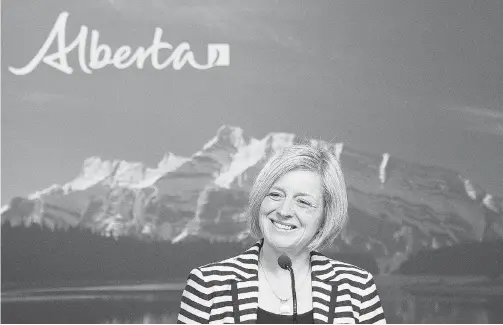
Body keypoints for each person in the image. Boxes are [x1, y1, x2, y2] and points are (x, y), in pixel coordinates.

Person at [178, 143, 386, 324]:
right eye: (276, 195)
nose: (284, 211)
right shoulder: (208, 285)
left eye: (303, 202)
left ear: (325, 217)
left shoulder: (357, 289)